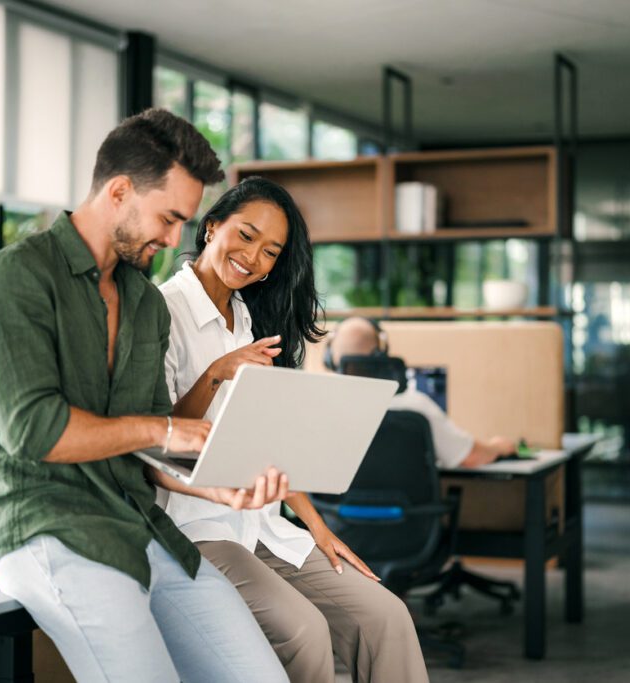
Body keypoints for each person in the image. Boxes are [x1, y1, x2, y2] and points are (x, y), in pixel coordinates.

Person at [0, 108, 288, 682]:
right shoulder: (15, 279)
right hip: (50, 528)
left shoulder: (143, 302)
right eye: (168, 217)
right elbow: (35, 431)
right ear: (119, 191)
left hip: (141, 528)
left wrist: (214, 484)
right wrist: (165, 430)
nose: (174, 238)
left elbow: (147, 442)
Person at [153, 177, 429, 683]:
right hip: (195, 527)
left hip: (262, 526)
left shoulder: (245, 317)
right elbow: (159, 437)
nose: (253, 256)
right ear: (212, 226)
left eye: (270, 251)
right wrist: (216, 372)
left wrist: (318, 527)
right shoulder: (162, 311)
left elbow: (266, 442)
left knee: (387, 617)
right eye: (246, 235)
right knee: (303, 628)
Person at [327, 317, 518, 469]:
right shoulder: (414, 406)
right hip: (405, 517)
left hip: (333, 516)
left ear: (330, 358)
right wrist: (497, 446)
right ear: (381, 354)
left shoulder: (324, 406)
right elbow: (470, 457)